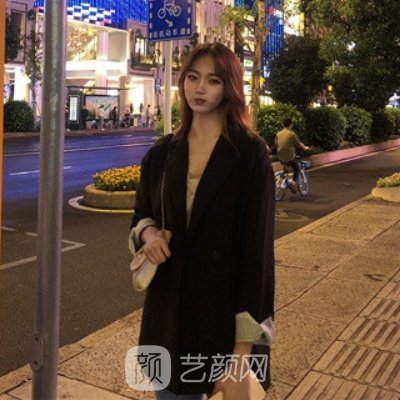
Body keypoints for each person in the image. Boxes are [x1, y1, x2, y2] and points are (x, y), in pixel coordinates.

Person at [129, 43, 275, 400]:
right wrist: (149, 235)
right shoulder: (162, 153)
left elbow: (257, 256)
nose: (199, 88)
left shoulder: (249, 154)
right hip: (167, 317)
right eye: (193, 78)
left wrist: (242, 354)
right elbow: (142, 214)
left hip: (222, 320)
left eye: (213, 80)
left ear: (229, 87)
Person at [275, 117, 310, 193]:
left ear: (283, 124)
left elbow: (276, 144)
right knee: (297, 168)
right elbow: (298, 144)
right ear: (291, 125)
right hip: (289, 157)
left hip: (280, 156)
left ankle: (282, 178)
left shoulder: (278, 134)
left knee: (286, 168)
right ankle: (293, 183)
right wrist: (305, 148)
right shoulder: (291, 134)